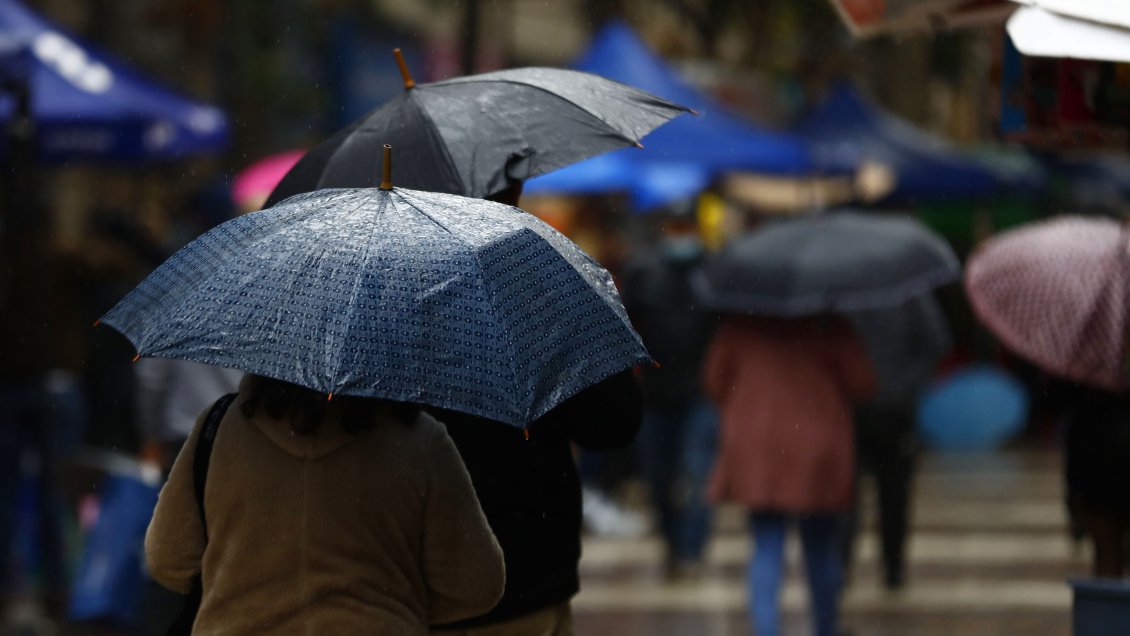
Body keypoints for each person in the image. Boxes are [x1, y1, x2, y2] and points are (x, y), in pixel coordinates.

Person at [145, 374, 505, 634]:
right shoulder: (421, 443)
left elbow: (169, 561)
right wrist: (395, 605)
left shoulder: (220, 428)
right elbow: (475, 586)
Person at [430, 367, 642, 636]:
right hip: (530, 575)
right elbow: (615, 420)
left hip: (420, 582)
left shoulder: (391, 333)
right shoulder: (544, 327)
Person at [704, 315, 875, 636]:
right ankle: (825, 627)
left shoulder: (740, 325)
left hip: (759, 445)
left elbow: (714, 381)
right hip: (816, 446)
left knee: (766, 544)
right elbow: (863, 383)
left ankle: (765, 630)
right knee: (822, 546)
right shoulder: (830, 324)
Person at [620, 199, 718, 579]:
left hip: (699, 393)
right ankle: (674, 544)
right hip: (656, 395)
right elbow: (627, 323)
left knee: (696, 473)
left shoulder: (711, 271)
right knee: (659, 477)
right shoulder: (645, 271)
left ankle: (692, 549)